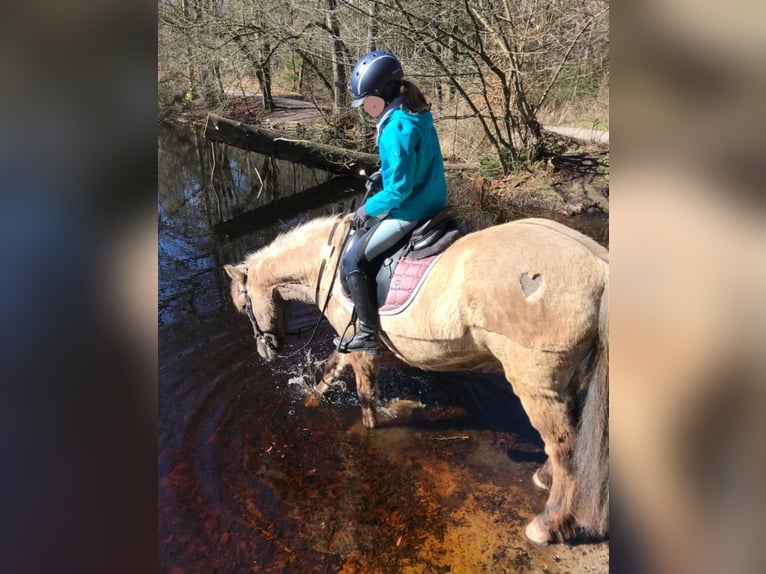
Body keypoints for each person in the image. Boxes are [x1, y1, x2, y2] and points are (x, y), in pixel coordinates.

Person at [335, 50, 448, 354]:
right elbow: (411, 165)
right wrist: (381, 175)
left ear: (383, 94)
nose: (366, 110)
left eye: (368, 103)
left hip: (412, 209)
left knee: (351, 260)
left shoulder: (395, 128)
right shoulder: (417, 114)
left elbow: (399, 191)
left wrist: (366, 209)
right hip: (435, 199)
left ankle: (368, 333)